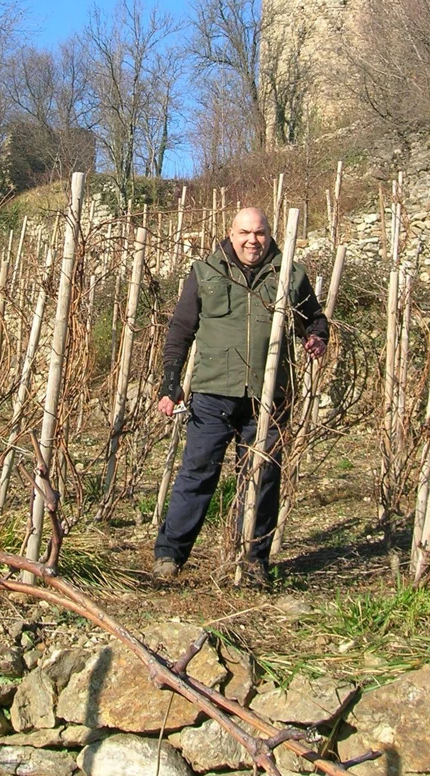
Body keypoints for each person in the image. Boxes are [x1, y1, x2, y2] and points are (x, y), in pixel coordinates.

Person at [153, 206, 328, 585]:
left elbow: (314, 319)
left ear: (270, 235)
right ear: (230, 235)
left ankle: (252, 560)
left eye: (260, 233)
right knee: (197, 473)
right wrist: (171, 380)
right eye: (245, 233)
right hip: (213, 393)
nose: (253, 240)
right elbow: (181, 329)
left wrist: (316, 337)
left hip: (269, 397)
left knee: (262, 478)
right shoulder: (205, 271)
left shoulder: (290, 274)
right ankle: (169, 555)